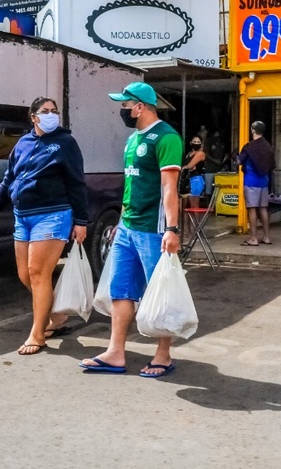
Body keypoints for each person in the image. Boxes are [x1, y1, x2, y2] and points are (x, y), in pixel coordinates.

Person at [80, 82, 183, 377]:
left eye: (125, 105)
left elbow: (169, 187)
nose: (122, 110)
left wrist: (172, 229)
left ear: (140, 106)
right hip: (128, 228)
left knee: (158, 291)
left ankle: (163, 354)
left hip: (153, 229)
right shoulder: (131, 140)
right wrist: (121, 223)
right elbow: (131, 186)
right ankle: (115, 352)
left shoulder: (166, 138)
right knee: (121, 289)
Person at [0, 97, 89, 356]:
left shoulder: (65, 143)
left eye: (54, 111)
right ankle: (55, 315)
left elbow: (76, 182)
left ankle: (38, 333)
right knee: (25, 275)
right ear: (33, 117)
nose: (51, 115)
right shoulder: (23, 143)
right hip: (23, 215)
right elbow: (9, 178)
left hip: (53, 214)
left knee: (38, 272)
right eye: (45, 111)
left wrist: (81, 221)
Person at [238, 121, 275, 246]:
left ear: (252, 130)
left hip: (251, 181)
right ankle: (266, 237)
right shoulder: (268, 146)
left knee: (252, 209)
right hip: (264, 181)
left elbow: (239, 161)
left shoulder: (249, 146)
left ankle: (253, 238)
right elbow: (272, 165)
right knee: (263, 208)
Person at [182, 136, 206, 209]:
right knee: (185, 207)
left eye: (198, 142)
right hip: (187, 179)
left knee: (194, 205)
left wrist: (185, 167)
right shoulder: (189, 153)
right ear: (190, 143)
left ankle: (196, 221)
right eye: (194, 142)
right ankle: (186, 221)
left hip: (196, 179)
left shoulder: (200, 153)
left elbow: (189, 166)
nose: (196, 143)